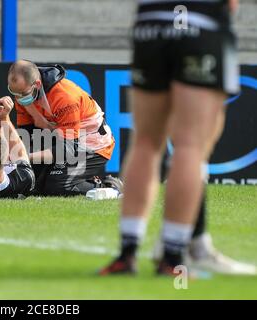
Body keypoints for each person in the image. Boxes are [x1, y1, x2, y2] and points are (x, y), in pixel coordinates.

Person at [99, 0, 255, 275]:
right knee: (191, 146)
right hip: (201, 19)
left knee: (146, 142)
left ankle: (127, 253)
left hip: (151, 21)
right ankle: (172, 257)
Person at [0, 60, 121, 197]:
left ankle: (109, 186)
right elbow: (28, 135)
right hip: (60, 138)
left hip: (93, 145)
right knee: (32, 183)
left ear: (37, 84)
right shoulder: (24, 93)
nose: (18, 98)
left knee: (57, 187)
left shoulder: (65, 98)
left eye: (22, 93)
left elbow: (67, 149)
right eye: (13, 92)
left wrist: (26, 156)